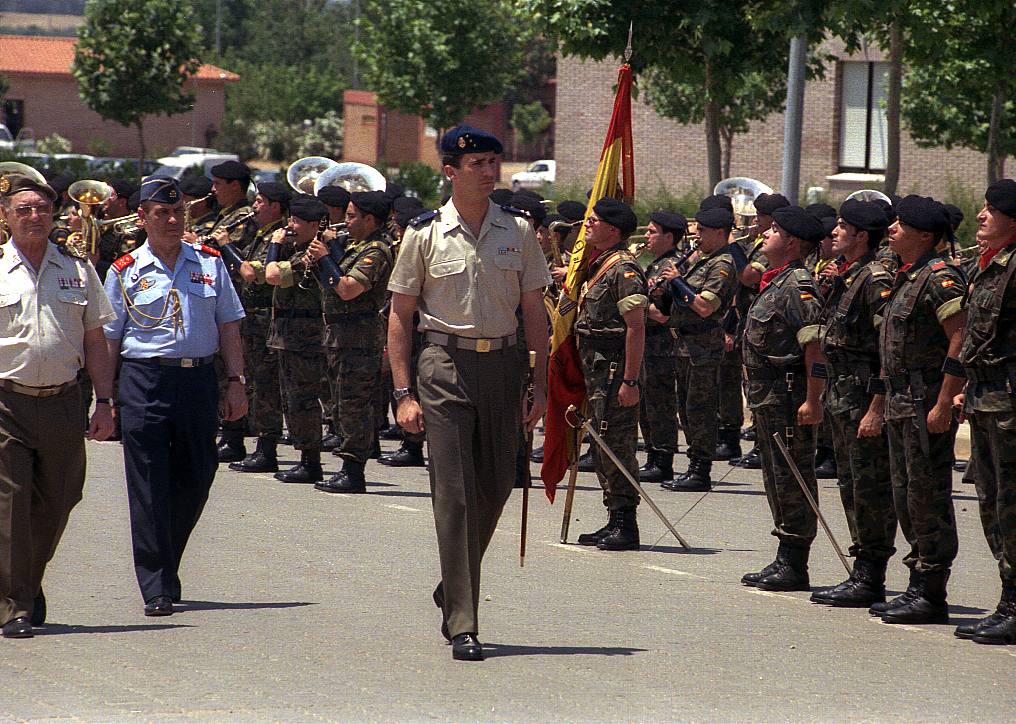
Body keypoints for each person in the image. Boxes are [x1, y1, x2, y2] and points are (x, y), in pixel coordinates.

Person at [387, 126, 549, 661]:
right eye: (477, 162)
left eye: (493, 161)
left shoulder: (519, 231)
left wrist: (541, 384)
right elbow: (400, 316)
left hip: (503, 364)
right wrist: (403, 392)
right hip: (442, 364)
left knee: (499, 481)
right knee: (454, 493)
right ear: (450, 171)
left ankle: (452, 583)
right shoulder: (425, 233)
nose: (489, 170)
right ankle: (464, 621)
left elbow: (533, 313)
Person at [103, 176, 247, 617]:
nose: (170, 219)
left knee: (197, 475)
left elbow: (229, 325)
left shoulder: (209, 262)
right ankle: (156, 585)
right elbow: (110, 338)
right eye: (161, 213)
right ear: (142, 217)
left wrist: (238, 381)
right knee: (148, 484)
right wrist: (103, 400)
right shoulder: (124, 270)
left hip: (198, 380)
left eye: (177, 212)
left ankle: (166, 560)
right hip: (144, 380)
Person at [0, 173, 115, 639]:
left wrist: (105, 402)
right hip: (6, 402)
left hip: (65, 399)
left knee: (62, 497)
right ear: (5, 216)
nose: (34, 216)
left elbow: (95, 336)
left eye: (42, 208)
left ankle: (26, 579)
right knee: (10, 503)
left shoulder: (76, 265)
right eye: (23, 209)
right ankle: (16, 604)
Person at [874, 195, 966, 625]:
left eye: (902, 224)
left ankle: (932, 590)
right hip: (899, 402)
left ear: (925, 235)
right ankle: (916, 584)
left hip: (924, 401)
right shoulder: (906, 277)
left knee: (927, 494)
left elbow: (960, 337)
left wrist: (945, 400)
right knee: (906, 495)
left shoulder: (940, 278)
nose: (892, 228)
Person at [809, 199, 897, 607]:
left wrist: (877, 407)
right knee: (851, 484)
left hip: (864, 395)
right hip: (843, 395)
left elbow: (886, 348)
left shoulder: (876, 277)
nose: (834, 232)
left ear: (862, 236)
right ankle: (862, 570)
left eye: (843, 227)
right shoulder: (849, 274)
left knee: (869, 487)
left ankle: (870, 575)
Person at [740, 206, 826, 591]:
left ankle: (795, 562)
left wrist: (813, 399)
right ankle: (784, 557)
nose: (765, 235)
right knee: (777, 477)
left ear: (791, 241)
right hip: (767, 398)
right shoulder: (777, 281)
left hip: (788, 396)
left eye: (773, 230)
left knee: (792, 477)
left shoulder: (797, 285)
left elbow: (815, 347)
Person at [954, 179, 1016, 644]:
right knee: (993, 505)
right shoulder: (988, 268)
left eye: (991, 210)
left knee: (1011, 506)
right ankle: (1008, 599)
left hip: (1010, 403)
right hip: (985, 400)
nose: (980, 215)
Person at [573, 198, 648, 551]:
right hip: (597, 370)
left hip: (616, 370)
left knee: (616, 444)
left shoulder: (624, 269)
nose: (588, 224)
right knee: (602, 445)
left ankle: (626, 523)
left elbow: (636, 327)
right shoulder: (599, 265)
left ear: (613, 230)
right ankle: (613, 518)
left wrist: (630, 381)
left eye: (595, 220)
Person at [307, 190, 394, 493]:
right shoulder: (355, 246)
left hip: (358, 339)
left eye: (352, 216)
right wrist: (319, 263)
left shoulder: (376, 251)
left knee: (354, 405)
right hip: (340, 336)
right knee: (341, 403)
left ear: (370, 219)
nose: (346, 221)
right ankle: (348, 465)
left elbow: (347, 289)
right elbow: (332, 286)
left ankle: (354, 470)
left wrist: (326, 257)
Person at [659, 205, 738, 492]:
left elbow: (704, 306)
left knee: (700, 410)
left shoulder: (723, 265)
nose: (697, 235)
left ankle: (700, 469)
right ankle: (693, 465)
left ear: (720, 232)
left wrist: (676, 281)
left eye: (702, 231)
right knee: (686, 408)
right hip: (684, 344)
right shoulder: (700, 260)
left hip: (703, 345)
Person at [221, 181, 290, 474]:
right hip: (249, 316)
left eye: (260, 201)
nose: (255, 207)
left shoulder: (280, 237)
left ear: (275, 206)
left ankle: (266, 448)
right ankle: (234, 439)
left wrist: (225, 246)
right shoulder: (259, 234)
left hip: (265, 319)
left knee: (264, 386)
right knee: (242, 379)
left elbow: (251, 273)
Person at [264, 195, 328, 484]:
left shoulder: (311, 253)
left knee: (303, 399)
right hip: (290, 333)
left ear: (313, 225)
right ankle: (306, 457)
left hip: (305, 335)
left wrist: (275, 246)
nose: (290, 225)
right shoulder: (301, 248)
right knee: (292, 398)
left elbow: (273, 274)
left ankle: (310, 460)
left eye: (296, 221)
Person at [637, 211, 686, 483]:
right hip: (648, 343)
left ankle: (663, 459)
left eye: (652, 231)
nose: (647, 236)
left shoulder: (674, 266)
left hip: (663, 345)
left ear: (669, 237)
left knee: (660, 403)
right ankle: (653, 456)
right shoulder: (655, 264)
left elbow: (666, 312)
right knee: (646, 403)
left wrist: (640, 304)